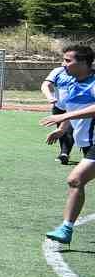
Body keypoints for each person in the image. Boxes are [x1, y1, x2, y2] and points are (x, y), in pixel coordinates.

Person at [40, 47, 95, 243]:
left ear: (83, 63)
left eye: (67, 61)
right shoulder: (72, 83)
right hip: (88, 144)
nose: (63, 65)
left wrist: (66, 116)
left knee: (75, 179)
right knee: (76, 180)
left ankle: (66, 229)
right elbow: (75, 109)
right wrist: (63, 129)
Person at [42, 49, 85, 164]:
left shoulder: (86, 79)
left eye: (67, 60)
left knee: (70, 131)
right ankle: (64, 153)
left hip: (74, 110)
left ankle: (65, 153)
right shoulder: (58, 71)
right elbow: (45, 84)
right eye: (64, 60)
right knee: (64, 132)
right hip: (60, 108)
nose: (64, 63)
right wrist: (50, 97)